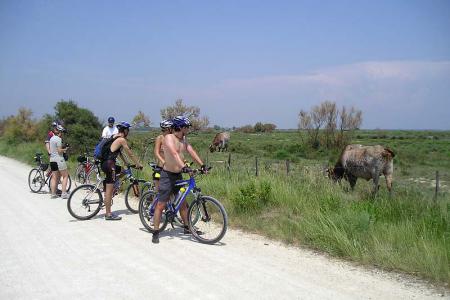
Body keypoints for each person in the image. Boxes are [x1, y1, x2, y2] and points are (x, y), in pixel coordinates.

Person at [152, 116, 207, 244]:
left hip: (178, 175)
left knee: (182, 202)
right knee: (161, 204)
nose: (188, 129)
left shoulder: (183, 139)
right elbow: (174, 153)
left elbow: (190, 150)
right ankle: (155, 231)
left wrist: (202, 165)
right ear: (181, 127)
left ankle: (187, 227)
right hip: (167, 175)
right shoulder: (169, 138)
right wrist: (184, 167)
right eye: (187, 127)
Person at [101, 121, 143, 221]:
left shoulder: (114, 136)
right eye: (128, 130)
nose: (128, 132)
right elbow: (130, 153)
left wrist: (126, 163)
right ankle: (108, 214)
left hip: (105, 163)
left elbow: (118, 153)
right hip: (110, 164)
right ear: (125, 130)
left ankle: (113, 184)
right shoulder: (121, 140)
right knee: (109, 190)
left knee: (123, 170)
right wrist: (138, 164)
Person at [49, 124, 70, 199]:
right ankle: (64, 194)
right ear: (60, 132)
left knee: (54, 177)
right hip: (59, 159)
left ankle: (53, 194)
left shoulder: (51, 139)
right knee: (65, 176)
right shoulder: (58, 139)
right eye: (62, 133)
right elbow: (59, 151)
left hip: (52, 160)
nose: (63, 134)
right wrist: (65, 149)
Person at [152, 119, 173, 191]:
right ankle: (153, 200)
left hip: (171, 169)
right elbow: (156, 152)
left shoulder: (173, 139)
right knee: (158, 191)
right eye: (162, 130)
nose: (163, 132)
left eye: (164, 130)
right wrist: (163, 161)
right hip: (160, 167)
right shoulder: (160, 138)